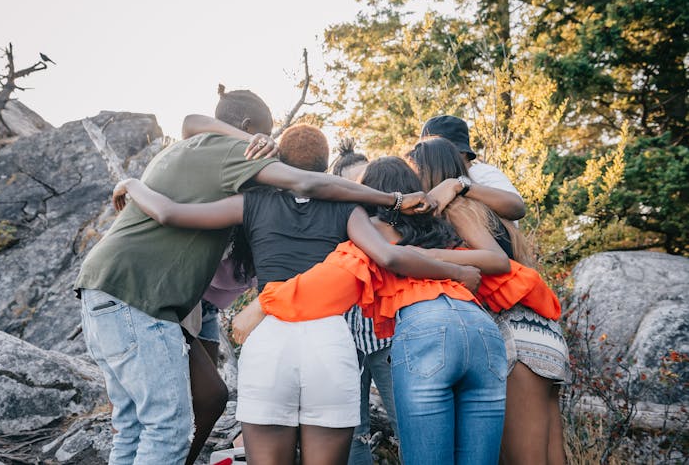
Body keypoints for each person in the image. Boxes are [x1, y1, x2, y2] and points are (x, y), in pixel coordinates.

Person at [75, 86, 433, 464]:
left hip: (120, 294)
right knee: (165, 428)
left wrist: (133, 184)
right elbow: (334, 207)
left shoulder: (215, 170)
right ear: (249, 127)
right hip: (316, 338)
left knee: (134, 427)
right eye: (267, 132)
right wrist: (395, 203)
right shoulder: (250, 161)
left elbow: (184, 154)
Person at [238, 156, 512, 465]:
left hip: (427, 328)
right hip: (481, 327)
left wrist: (263, 302)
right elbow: (500, 258)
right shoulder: (445, 224)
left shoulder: (369, 234)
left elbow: (324, 282)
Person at [408, 137, 570, 465]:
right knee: (553, 455)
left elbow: (495, 258)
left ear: (427, 172)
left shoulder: (458, 209)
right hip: (540, 330)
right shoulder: (488, 210)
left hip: (516, 337)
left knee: (525, 459)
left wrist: (423, 255)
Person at [330, 139, 399, 465]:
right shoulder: (333, 220)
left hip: (385, 335)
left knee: (404, 417)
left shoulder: (389, 224)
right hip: (343, 337)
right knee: (351, 427)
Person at [419, 115, 525, 222]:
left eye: (437, 152)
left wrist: (460, 186)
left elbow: (517, 207)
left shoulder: (480, 172)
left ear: (463, 153)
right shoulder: (429, 182)